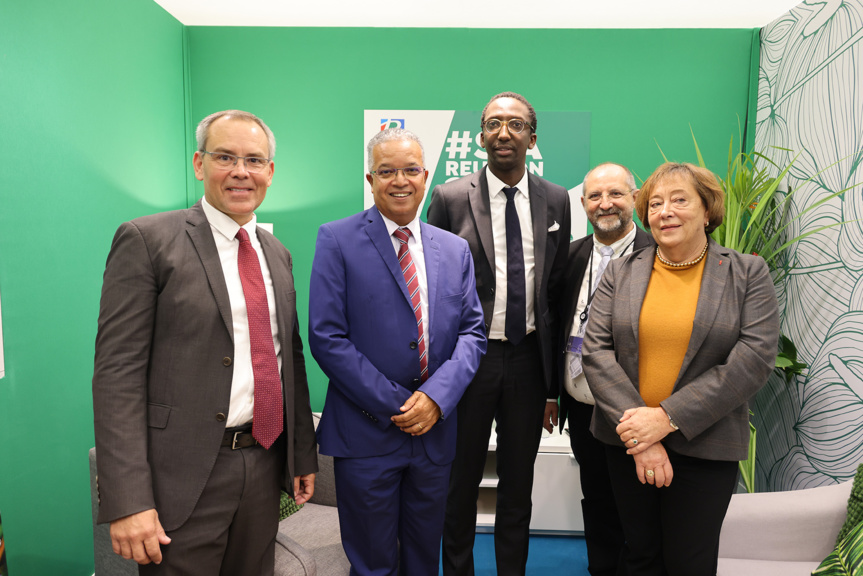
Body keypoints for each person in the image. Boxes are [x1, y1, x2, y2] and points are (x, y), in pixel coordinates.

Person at [92, 110, 318, 575]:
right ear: (199, 163)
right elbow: (117, 376)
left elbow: (286, 360)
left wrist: (299, 455)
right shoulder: (148, 240)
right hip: (183, 475)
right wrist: (128, 499)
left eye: (254, 160)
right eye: (225, 157)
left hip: (262, 464)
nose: (241, 171)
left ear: (270, 172)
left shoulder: (276, 254)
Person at [582, 162, 779, 576]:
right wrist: (643, 435)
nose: (664, 211)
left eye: (679, 200)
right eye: (654, 203)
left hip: (706, 445)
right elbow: (596, 353)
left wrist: (667, 419)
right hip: (627, 444)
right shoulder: (622, 271)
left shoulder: (746, 273)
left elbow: (754, 358)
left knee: (690, 561)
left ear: (707, 211)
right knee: (640, 556)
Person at [308, 128, 486, 576]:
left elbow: (472, 333)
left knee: (425, 561)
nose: (399, 180)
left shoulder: (454, 248)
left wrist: (435, 399)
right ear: (371, 179)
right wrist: (400, 406)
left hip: (435, 436)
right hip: (367, 435)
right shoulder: (337, 239)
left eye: (410, 170)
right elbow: (327, 337)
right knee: (374, 565)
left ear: (426, 176)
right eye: (387, 171)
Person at [427, 91, 571, 576]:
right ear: (481, 136)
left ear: (533, 136)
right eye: (493, 123)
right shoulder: (449, 197)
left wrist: (553, 388)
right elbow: (432, 287)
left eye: (514, 124)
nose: (503, 132)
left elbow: (553, 292)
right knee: (459, 483)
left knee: (517, 485)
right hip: (469, 360)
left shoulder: (555, 199)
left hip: (530, 361)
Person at [554, 162, 653, 576]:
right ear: (583, 204)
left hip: (637, 408)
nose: (605, 204)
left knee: (639, 508)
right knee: (596, 498)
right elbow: (558, 325)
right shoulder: (572, 255)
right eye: (595, 196)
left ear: (634, 198)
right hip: (582, 405)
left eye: (616, 194)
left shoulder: (659, 253)